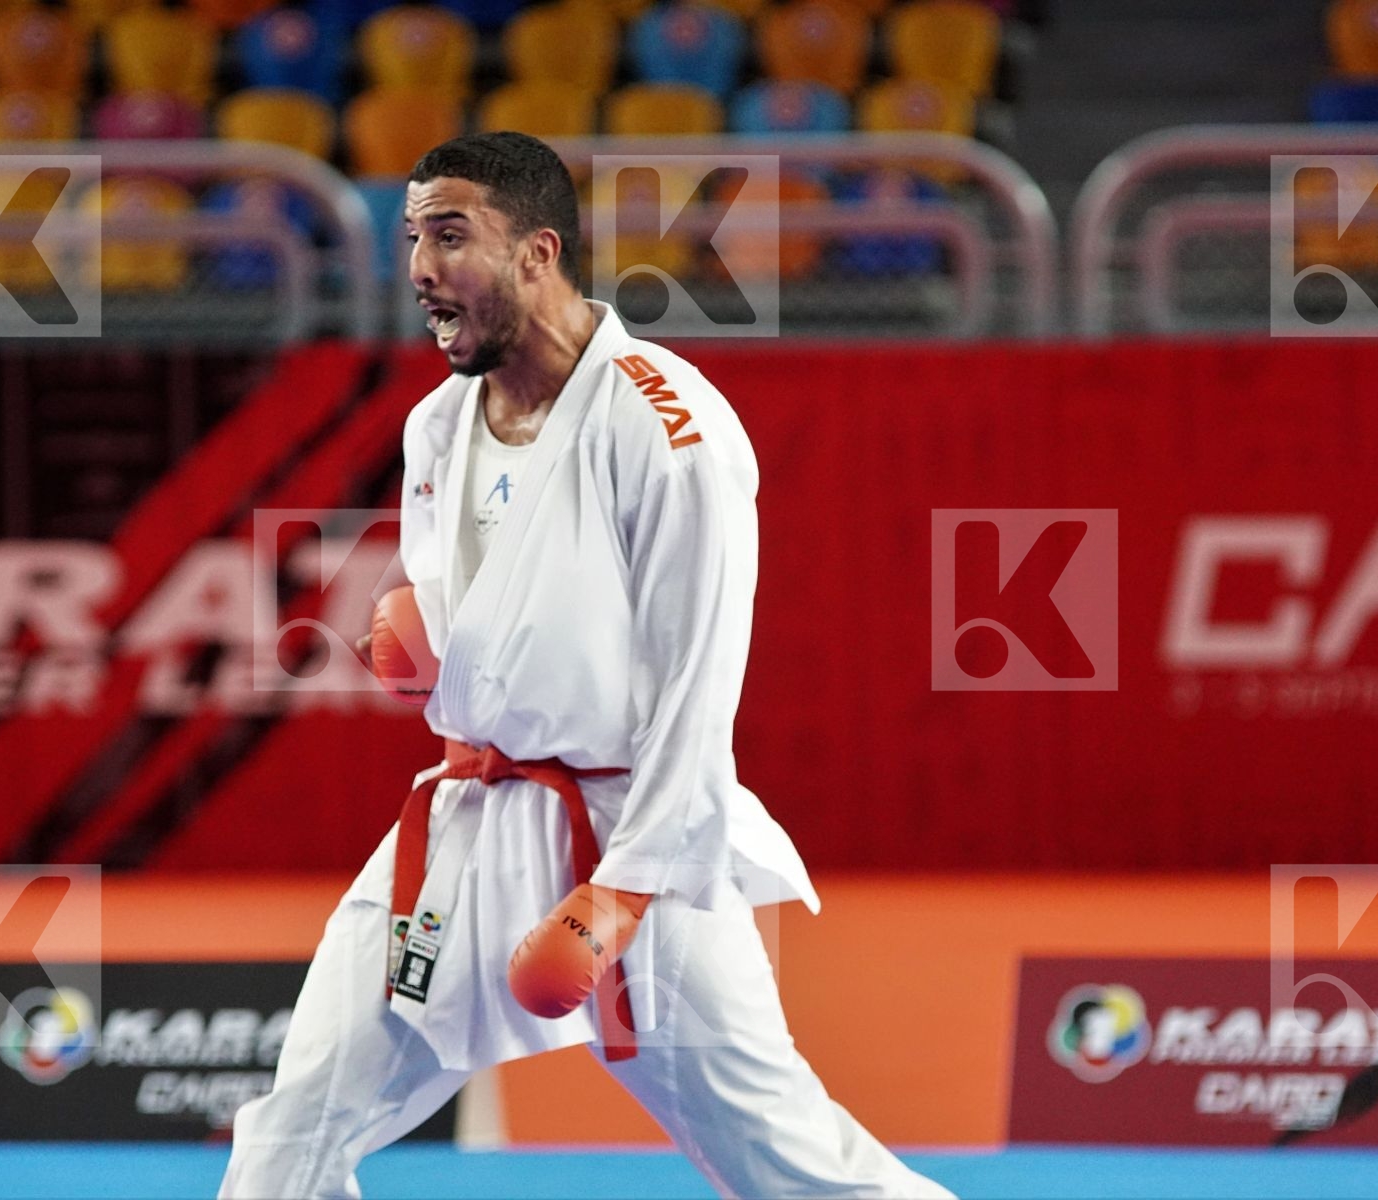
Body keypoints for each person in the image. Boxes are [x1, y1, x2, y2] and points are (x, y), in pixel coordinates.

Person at [220, 133, 953, 1200]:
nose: (419, 267)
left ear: (537, 252)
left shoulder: (668, 425)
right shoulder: (436, 426)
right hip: (468, 819)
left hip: (628, 833)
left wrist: (622, 895)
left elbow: (698, 691)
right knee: (295, 1124)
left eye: (451, 234)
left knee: (789, 1160)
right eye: (413, 237)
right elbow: (501, 618)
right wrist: (438, 663)